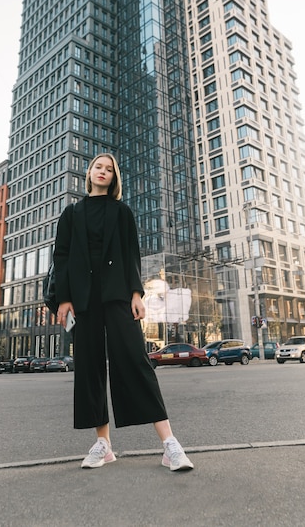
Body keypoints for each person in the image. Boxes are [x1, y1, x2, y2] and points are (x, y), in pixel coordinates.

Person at [53, 153, 193, 472]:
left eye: (109, 169)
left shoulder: (121, 211)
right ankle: (103, 445)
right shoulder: (71, 213)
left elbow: (132, 253)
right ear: (89, 173)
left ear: (114, 178)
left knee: (134, 360)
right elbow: (61, 257)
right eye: (98, 167)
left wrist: (136, 293)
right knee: (89, 367)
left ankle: (169, 444)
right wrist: (64, 299)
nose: (103, 172)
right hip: (84, 301)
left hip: (117, 295)